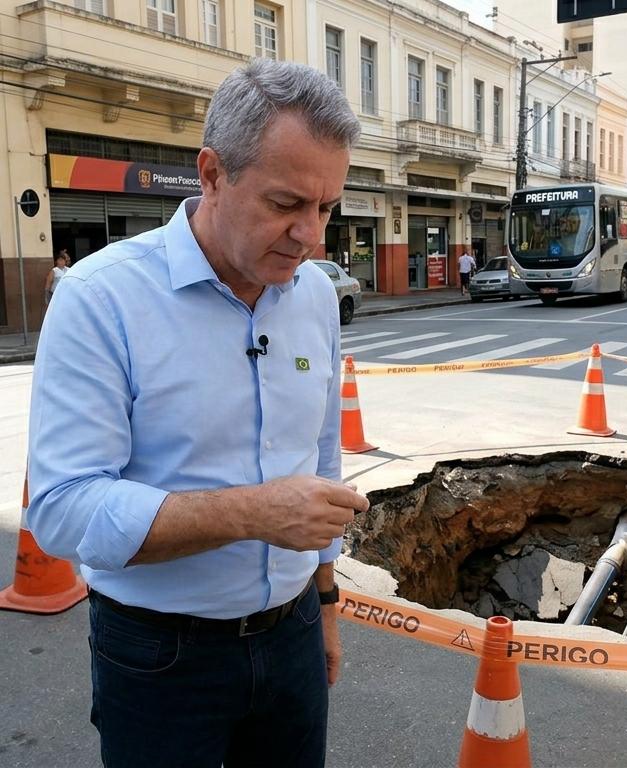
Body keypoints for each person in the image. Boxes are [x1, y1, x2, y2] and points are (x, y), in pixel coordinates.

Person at [27, 59, 370, 768]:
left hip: (294, 632)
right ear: (212, 173)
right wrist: (256, 513)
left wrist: (326, 605)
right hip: (158, 656)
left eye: (327, 208)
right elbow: (62, 509)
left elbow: (321, 460)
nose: (310, 235)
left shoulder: (310, 296)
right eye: (286, 203)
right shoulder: (102, 298)